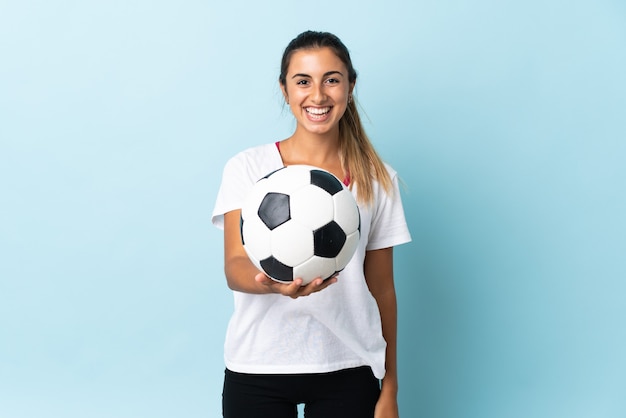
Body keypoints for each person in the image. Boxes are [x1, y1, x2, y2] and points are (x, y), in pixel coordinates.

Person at [212, 30, 411, 418]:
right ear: (285, 90)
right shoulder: (247, 168)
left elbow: (383, 291)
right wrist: (268, 284)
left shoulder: (377, 178)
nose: (317, 96)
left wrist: (390, 388)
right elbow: (235, 265)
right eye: (303, 81)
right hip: (259, 365)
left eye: (331, 80)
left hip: (349, 366)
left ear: (350, 87)